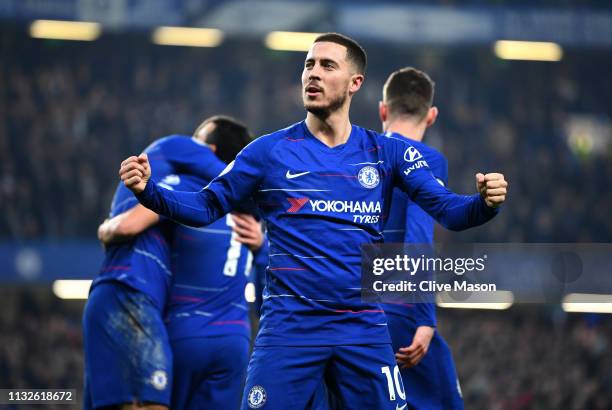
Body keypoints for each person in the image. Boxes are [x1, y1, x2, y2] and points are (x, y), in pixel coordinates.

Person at [119, 33, 508, 409]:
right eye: (308, 65)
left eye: (326, 65)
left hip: (364, 330)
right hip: (289, 330)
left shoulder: (387, 153)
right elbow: (205, 206)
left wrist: (484, 203)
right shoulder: (267, 152)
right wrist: (148, 191)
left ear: (355, 83)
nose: (313, 73)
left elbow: (449, 210)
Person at [84, 116, 250, 409]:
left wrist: (104, 229)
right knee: (149, 404)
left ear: (208, 149)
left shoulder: (181, 178)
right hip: (132, 292)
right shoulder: (194, 190)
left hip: (129, 294)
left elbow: (124, 227)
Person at [380, 67, 464, 409]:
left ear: (383, 110)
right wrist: (425, 319)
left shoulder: (356, 154)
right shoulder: (426, 159)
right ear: (431, 116)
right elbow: (417, 236)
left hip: (345, 311)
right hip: (397, 309)